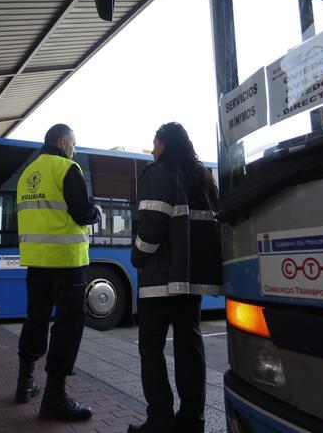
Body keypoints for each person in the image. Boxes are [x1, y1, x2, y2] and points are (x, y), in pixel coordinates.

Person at [128, 122, 223, 433]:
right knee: (189, 346)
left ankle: (160, 421)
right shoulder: (204, 179)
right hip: (190, 280)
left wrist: (138, 258)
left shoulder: (157, 173)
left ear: (163, 144)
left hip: (159, 280)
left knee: (151, 348)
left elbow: (152, 226)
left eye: (154, 143)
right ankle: (192, 420)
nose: (153, 150)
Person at [15, 123, 102, 421]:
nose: (75, 150)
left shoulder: (27, 174)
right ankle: (55, 396)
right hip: (66, 260)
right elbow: (81, 212)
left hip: (35, 261)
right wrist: (96, 212)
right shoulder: (67, 168)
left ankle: (25, 381)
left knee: (35, 317)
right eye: (74, 144)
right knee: (68, 323)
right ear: (64, 142)